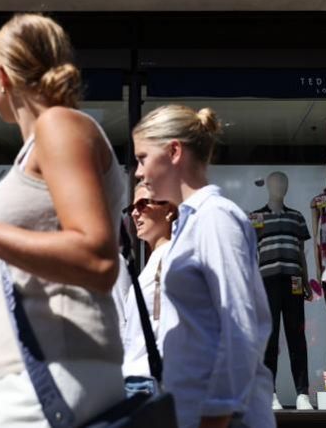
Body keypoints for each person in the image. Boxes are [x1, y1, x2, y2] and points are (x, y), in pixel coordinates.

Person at [0, 13, 128, 428]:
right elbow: (22, 305)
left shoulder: (60, 125)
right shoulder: (44, 141)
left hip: (51, 384)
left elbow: (97, 259)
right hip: (32, 382)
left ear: (1, 74)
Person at [132, 105, 275, 428]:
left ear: (173, 151)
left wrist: (217, 414)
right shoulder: (191, 222)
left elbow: (239, 323)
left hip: (224, 418)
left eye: (142, 158)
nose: (138, 172)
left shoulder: (214, 218)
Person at [120, 183, 177, 396]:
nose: (135, 213)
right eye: (132, 207)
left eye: (143, 204)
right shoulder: (153, 261)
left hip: (150, 382)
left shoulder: (172, 257)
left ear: (169, 210)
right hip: (137, 379)